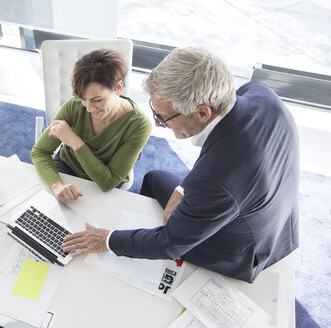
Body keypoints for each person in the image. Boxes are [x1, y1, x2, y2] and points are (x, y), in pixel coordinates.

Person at [63, 47, 299, 283]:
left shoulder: (215, 181)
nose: (156, 124)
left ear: (203, 113)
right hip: (278, 215)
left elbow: (169, 245)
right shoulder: (260, 94)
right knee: (155, 178)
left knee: (166, 240)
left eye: (163, 118)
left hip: (242, 248)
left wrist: (106, 240)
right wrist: (183, 188)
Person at [31, 49, 151, 202]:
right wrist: (57, 185)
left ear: (118, 88)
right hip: (68, 168)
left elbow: (108, 182)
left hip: (104, 180)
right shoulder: (74, 106)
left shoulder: (139, 125)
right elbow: (39, 151)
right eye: (83, 98)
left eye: (97, 100)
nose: (88, 108)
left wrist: (74, 141)